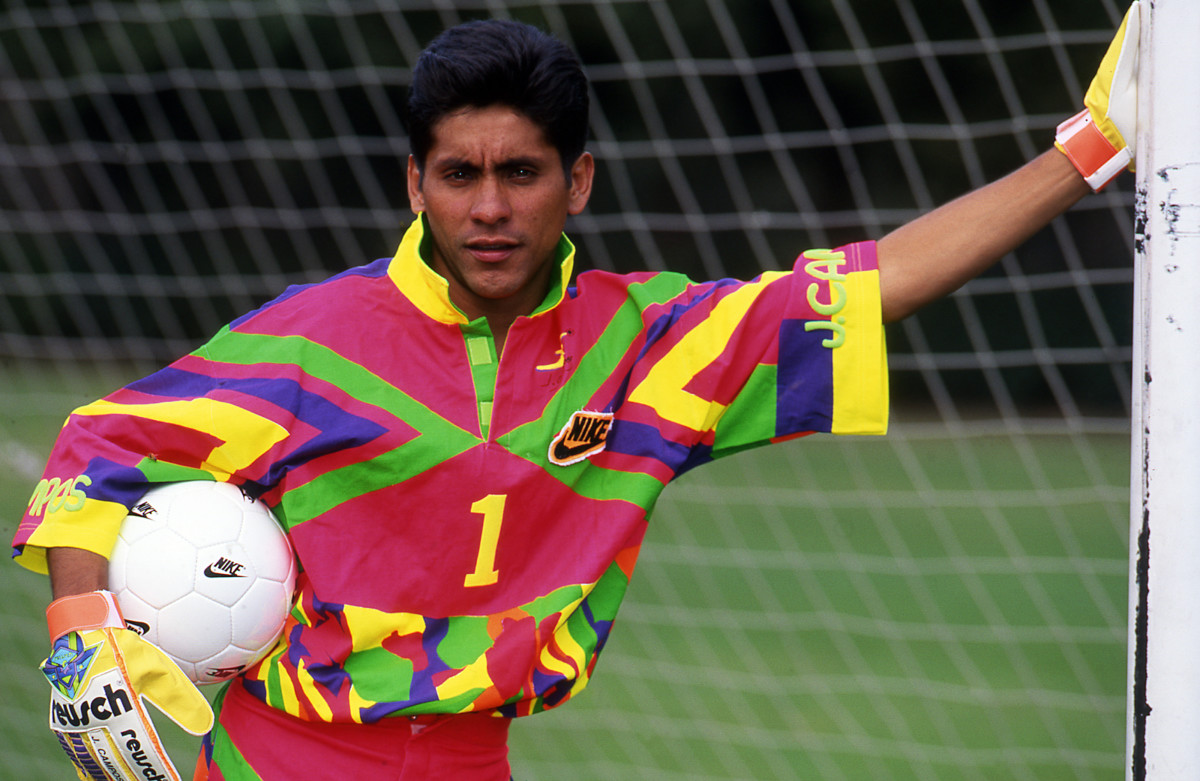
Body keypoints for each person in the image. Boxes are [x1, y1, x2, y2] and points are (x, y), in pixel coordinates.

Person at [15, 8, 1141, 781]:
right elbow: (100, 442)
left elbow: (873, 281)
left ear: (578, 180)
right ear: (416, 183)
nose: (489, 207)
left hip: (477, 753)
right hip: (275, 754)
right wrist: (79, 620)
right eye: (458, 175)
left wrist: (1089, 149)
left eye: (521, 173)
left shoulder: (649, 344)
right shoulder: (314, 345)